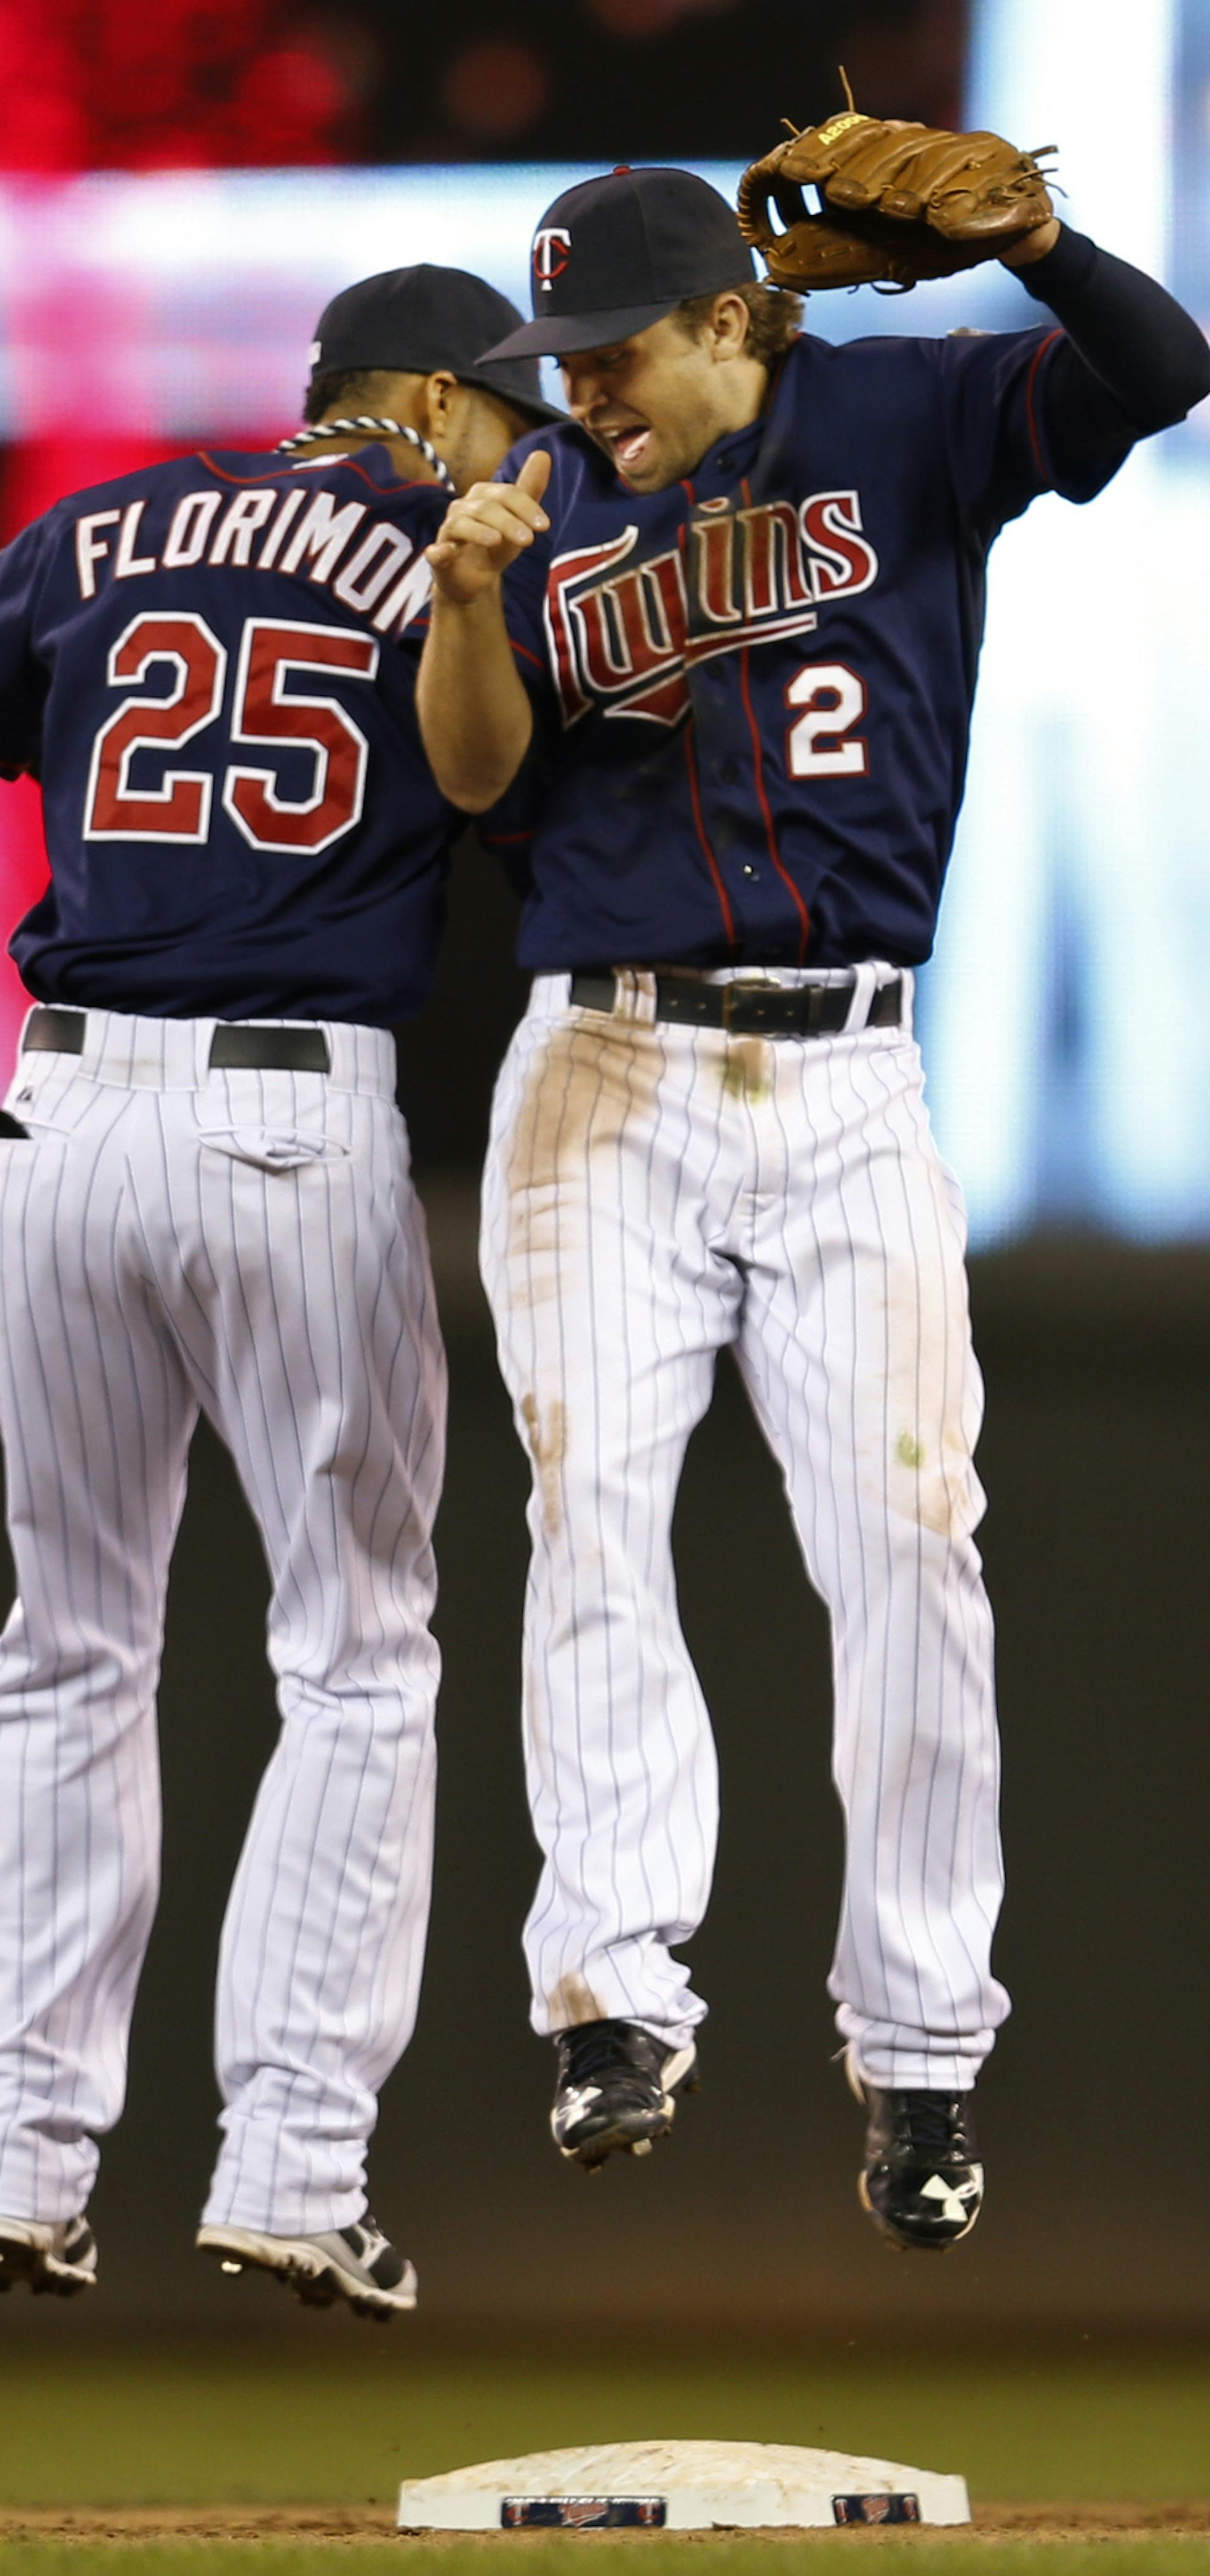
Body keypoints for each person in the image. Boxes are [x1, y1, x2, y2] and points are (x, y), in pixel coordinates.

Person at [416, 161, 1210, 2248]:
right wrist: (474, 603)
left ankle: (926, 2049)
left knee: (914, 1550)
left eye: (617, 354)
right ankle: (611, 1994)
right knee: (591, 1509)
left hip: (856, 1074)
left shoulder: (910, 416)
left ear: (730, 322)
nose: (586, 396)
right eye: (563, 364)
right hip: (605, 1063)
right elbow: (482, 779)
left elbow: (1168, 366)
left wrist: (1037, 245)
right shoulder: (547, 515)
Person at [0, 265, 551, 2314]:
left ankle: (17, 2148)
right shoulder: (454, 562)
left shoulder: (98, 530)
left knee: (68, 1643)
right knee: (355, 1651)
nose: (523, 447)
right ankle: (290, 2158)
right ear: (423, 398)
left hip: (59, 1128)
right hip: (288, 1123)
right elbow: (533, 808)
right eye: (503, 409)